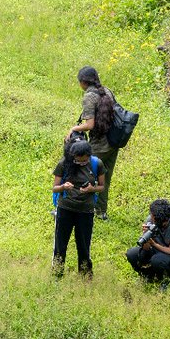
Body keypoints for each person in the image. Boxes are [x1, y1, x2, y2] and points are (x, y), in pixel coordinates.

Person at [67, 65, 118, 220]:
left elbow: (90, 125)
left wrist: (73, 128)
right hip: (113, 143)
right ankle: (101, 212)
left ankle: (72, 208)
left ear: (83, 82)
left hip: (99, 144)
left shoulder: (89, 96)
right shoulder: (107, 91)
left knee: (79, 173)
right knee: (104, 178)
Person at [52, 139, 107, 277]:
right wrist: (64, 187)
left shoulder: (97, 164)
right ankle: (57, 274)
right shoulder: (64, 163)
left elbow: (102, 187)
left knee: (83, 245)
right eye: (78, 160)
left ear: (89, 156)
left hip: (85, 211)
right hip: (65, 208)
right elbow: (55, 188)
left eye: (84, 161)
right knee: (60, 244)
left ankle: (85, 276)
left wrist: (91, 189)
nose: (81, 163)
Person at [126, 198, 170, 282]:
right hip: (156, 251)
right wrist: (146, 235)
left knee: (156, 259)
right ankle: (147, 276)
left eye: (152, 216)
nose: (151, 216)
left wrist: (154, 244)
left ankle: (166, 280)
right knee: (132, 253)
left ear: (164, 220)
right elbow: (146, 248)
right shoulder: (150, 220)